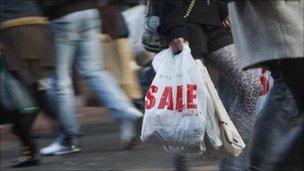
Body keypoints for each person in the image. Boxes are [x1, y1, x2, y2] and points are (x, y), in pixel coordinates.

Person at [157, 0, 262, 170]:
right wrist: (173, 27)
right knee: (189, 102)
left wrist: (223, 8)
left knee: (250, 86)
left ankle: (232, 163)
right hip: (184, 20)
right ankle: (181, 163)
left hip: (213, 20)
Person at [37, 0, 143, 156]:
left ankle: (68, 138)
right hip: (89, 11)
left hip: (62, 15)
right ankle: (125, 110)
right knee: (93, 70)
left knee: (60, 80)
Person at [227, 0, 303, 170]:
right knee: (283, 88)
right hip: (280, 19)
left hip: (279, 20)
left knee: (283, 90)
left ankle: (260, 165)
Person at [0, 0, 56, 167]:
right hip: (38, 26)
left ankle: (29, 148)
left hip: (12, 30)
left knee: (19, 94)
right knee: (34, 87)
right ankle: (65, 128)